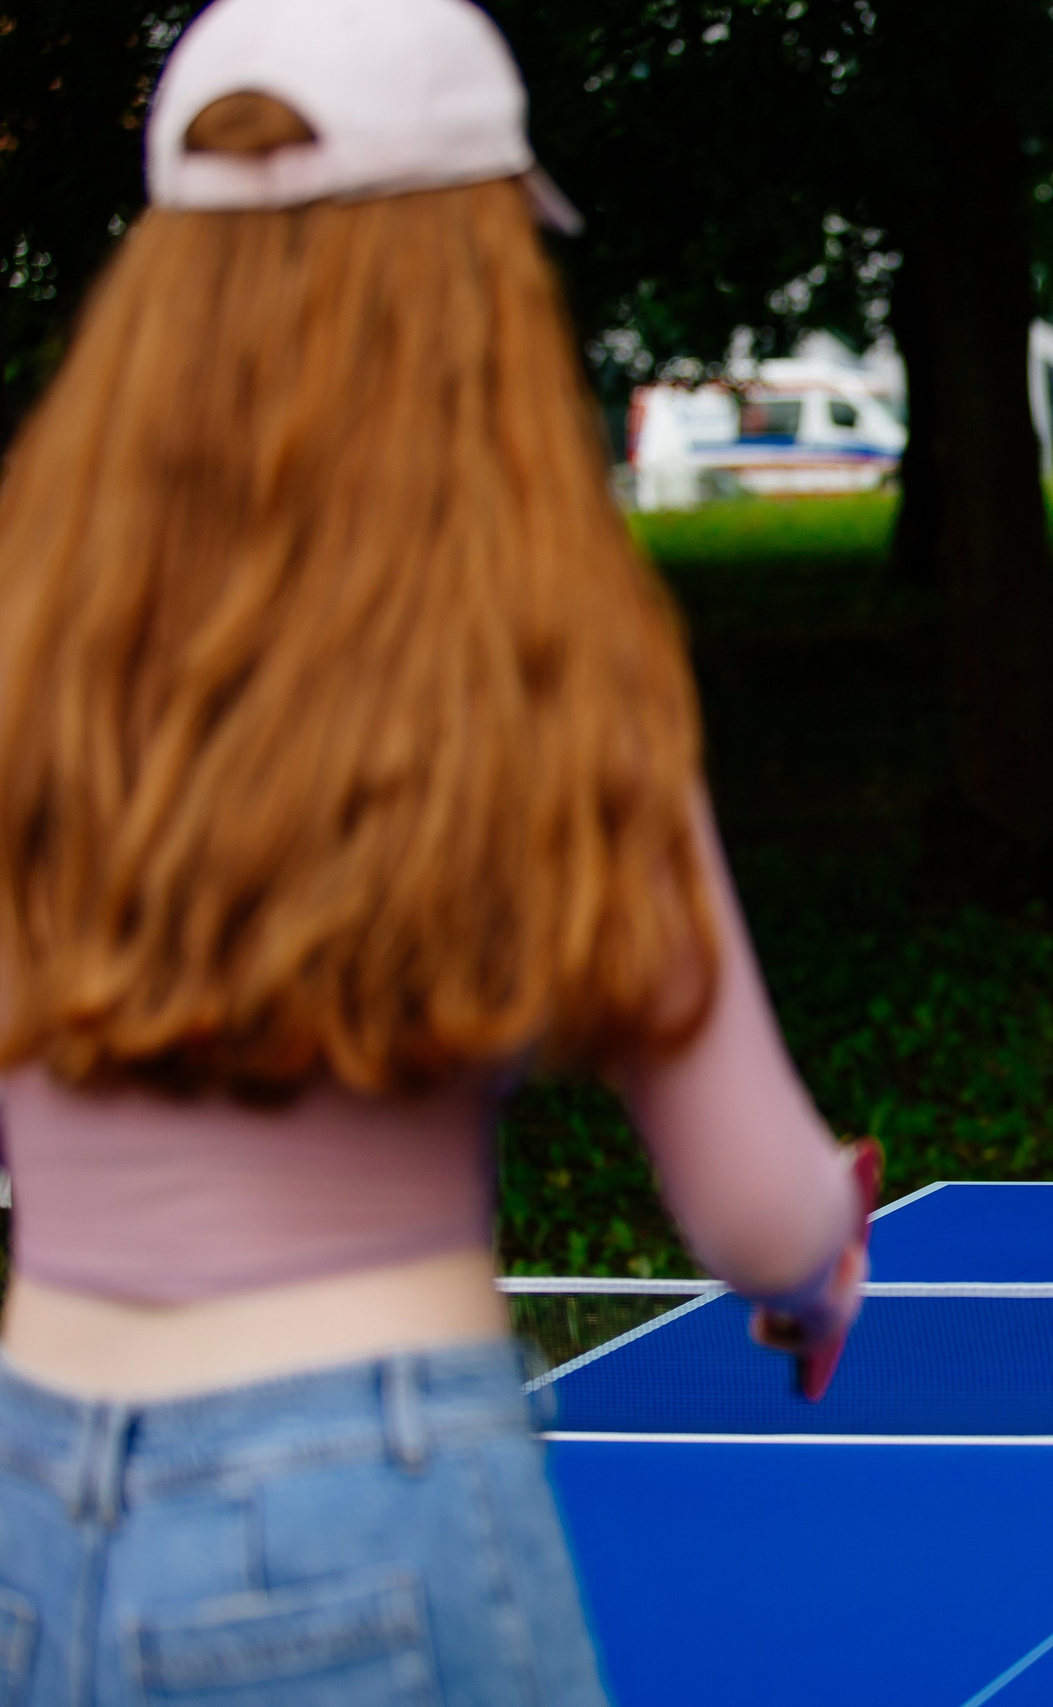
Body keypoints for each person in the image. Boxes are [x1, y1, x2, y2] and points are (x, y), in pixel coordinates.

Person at [0, 0, 873, 1698]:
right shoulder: (540, 654)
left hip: (30, 1483)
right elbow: (757, 1208)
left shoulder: (31, 621)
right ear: (472, 274)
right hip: (360, 1489)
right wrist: (812, 1262)